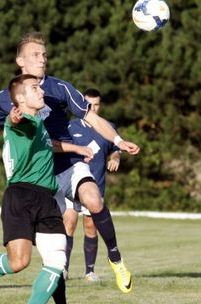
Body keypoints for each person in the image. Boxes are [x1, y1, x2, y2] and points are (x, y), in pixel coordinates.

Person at [0, 32, 138, 293]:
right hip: (36, 180)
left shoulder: (59, 88)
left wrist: (118, 141)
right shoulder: (5, 97)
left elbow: (92, 118)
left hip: (68, 165)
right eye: (36, 55)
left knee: (94, 199)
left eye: (44, 55)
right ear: (20, 60)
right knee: (22, 259)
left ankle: (115, 259)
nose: (42, 60)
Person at [0, 74, 67, 303]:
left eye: (40, 88)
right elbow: (15, 122)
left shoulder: (39, 123)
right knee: (19, 263)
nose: (41, 92)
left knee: (57, 261)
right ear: (20, 97)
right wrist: (14, 117)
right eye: (35, 88)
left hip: (47, 199)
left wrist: (78, 148)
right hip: (22, 196)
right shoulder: (22, 121)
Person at [62, 88, 121, 283]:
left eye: (96, 104)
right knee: (69, 224)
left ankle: (90, 271)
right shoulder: (70, 127)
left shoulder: (107, 127)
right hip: (72, 184)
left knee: (90, 227)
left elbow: (115, 149)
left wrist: (115, 157)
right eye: (89, 104)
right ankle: (63, 268)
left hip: (96, 185)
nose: (93, 108)